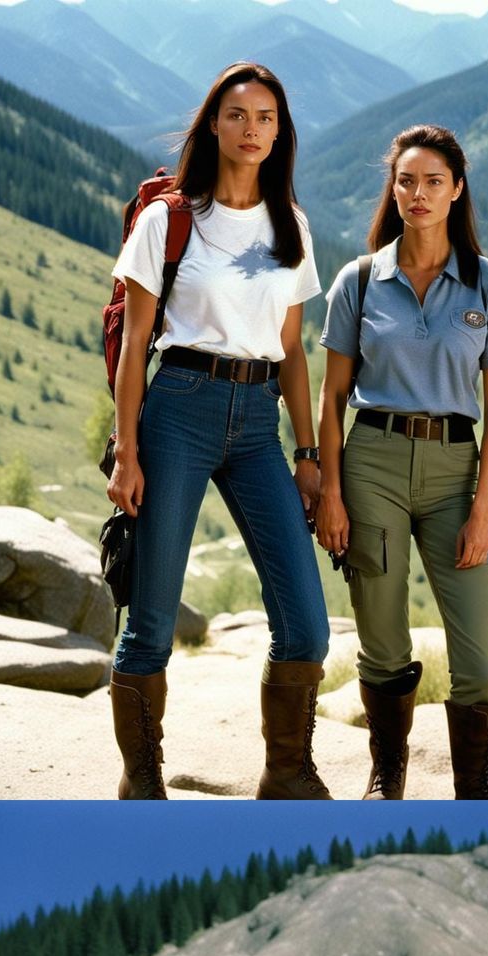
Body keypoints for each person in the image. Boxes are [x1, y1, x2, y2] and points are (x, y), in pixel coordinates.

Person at [107, 62, 331, 802]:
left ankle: (288, 772)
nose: (253, 129)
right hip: (177, 409)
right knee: (151, 622)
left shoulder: (289, 224)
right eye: (239, 115)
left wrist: (308, 454)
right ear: (213, 125)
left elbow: (294, 349)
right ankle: (143, 780)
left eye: (267, 117)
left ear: (280, 130)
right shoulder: (168, 220)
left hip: (259, 421)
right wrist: (127, 452)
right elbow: (136, 347)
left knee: (306, 622)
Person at [313, 125, 488, 800]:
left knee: (484, 667)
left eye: (434, 181)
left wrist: (482, 511)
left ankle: (477, 791)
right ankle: (388, 775)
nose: (418, 193)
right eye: (406, 181)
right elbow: (332, 396)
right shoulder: (359, 280)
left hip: (454, 476)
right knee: (382, 637)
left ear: (457, 190)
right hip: (371, 461)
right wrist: (330, 493)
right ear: (394, 187)